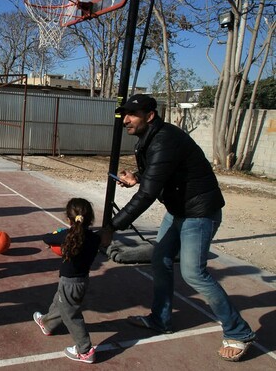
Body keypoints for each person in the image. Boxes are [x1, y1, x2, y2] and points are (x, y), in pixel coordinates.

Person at [98, 94, 256, 362]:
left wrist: (112, 227)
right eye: (124, 114)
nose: (125, 119)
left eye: (132, 114)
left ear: (150, 116)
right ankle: (160, 319)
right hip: (178, 210)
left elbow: (147, 195)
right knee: (160, 260)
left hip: (199, 212)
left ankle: (239, 332)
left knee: (194, 273)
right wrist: (136, 177)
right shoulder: (149, 138)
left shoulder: (165, 139)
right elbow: (155, 172)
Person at [33, 198, 101, 364]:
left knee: (71, 315)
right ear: (90, 219)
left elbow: (46, 238)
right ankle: (47, 324)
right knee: (60, 302)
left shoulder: (66, 236)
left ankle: (85, 350)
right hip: (82, 281)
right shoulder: (95, 238)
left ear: (69, 219)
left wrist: (58, 233)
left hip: (69, 283)